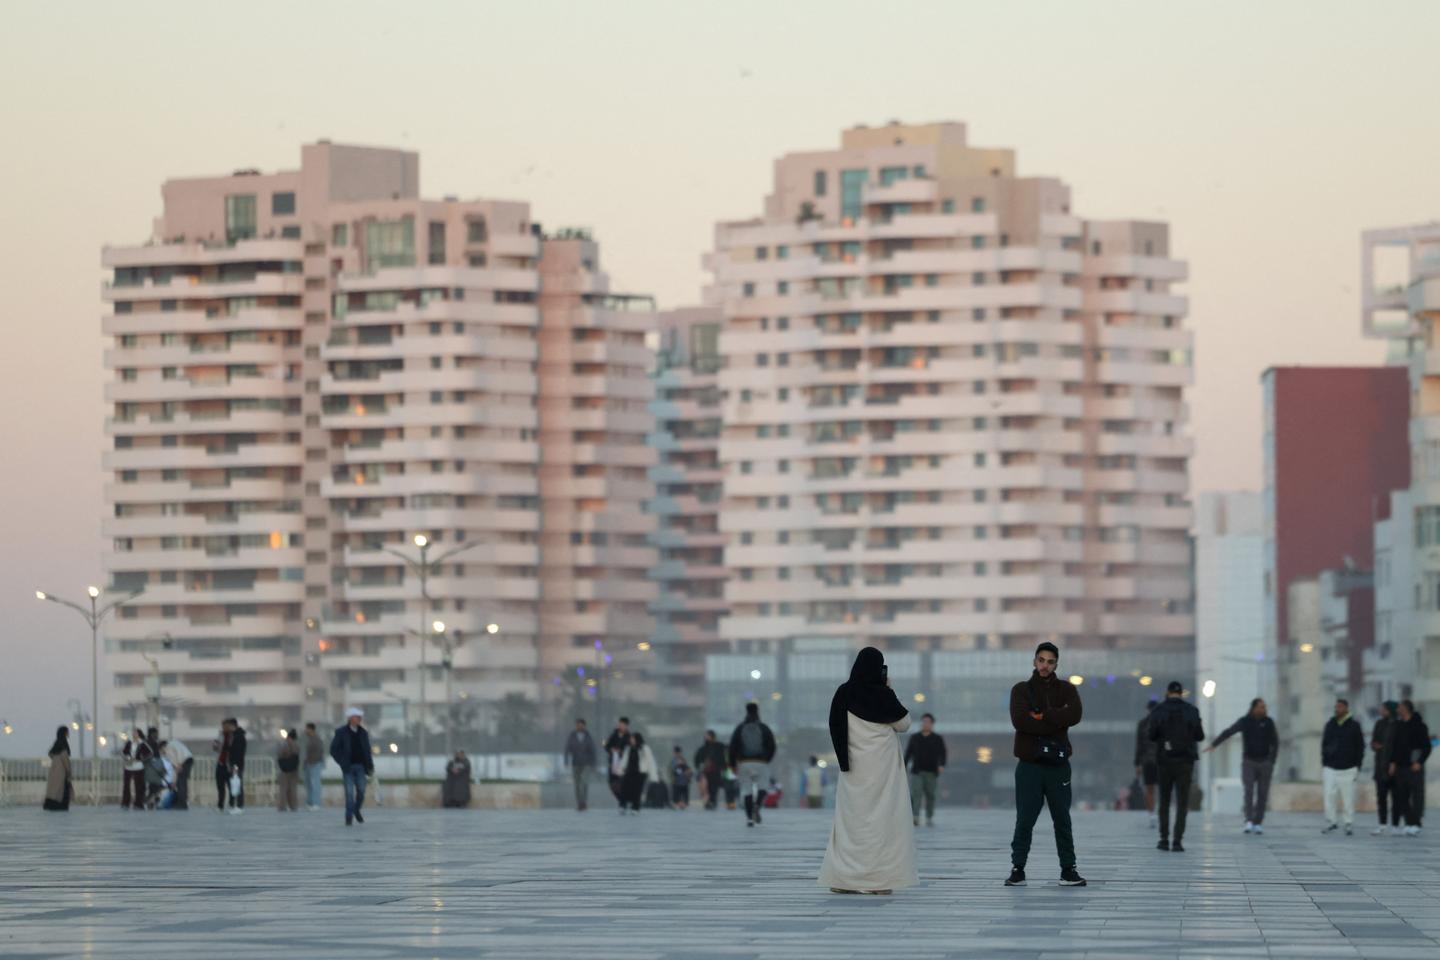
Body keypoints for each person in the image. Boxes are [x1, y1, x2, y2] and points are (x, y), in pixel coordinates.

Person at [818, 646, 917, 895]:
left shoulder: (844, 693)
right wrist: (890, 690)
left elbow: (834, 726)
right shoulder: (883, 694)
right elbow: (904, 724)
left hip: (854, 770)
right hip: (883, 772)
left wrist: (843, 761)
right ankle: (879, 882)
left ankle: (844, 879)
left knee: (851, 823)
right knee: (882, 823)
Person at [1006, 642, 1086, 888]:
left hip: (1058, 765)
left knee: (1062, 818)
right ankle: (1018, 868)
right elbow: (1020, 721)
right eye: (1041, 660)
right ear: (1034, 661)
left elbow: (1075, 715)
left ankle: (1068, 869)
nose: (1045, 665)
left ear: (1056, 665)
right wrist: (1057, 718)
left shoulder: (1067, 689)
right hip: (1029, 765)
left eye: (1050, 662)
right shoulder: (1020, 690)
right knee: (1025, 819)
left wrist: (1043, 715)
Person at [1205, 697, 1278, 834]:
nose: (1264, 709)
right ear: (1254, 708)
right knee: (1249, 791)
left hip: (1265, 763)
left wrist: (1271, 761)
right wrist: (1214, 744)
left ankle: (1258, 822)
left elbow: (1275, 742)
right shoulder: (1245, 721)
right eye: (1261, 707)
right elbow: (1229, 731)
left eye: (1265, 707)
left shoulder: (1268, 722)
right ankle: (1249, 820)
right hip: (1249, 762)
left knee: (1262, 794)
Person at [1148, 681, 1204, 852]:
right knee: (1182, 802)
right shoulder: (1192, 711)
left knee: (1164, 801)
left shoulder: (1158, 710)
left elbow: (1151, 735)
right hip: (1185, 762)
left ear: (1168, 692)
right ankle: (1178, 841)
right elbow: (1200, 736)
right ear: (1181, 693)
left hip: (1164, 761)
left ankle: (1164, 839)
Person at [1320, 698, 1365, 836]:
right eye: (1336, 707)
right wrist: (1325, 761)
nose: (1337, 709)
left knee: (1348, 797)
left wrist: (1357, 765)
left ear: (1346, 708)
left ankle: (1348, 823)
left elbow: (1360, 746)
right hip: (1331, 768)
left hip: (1349, 768)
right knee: (1329, 796)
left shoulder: (1354, 726)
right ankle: (1331, 822)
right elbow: (1324, 744)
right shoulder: (1330, 724)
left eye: (1339, 707)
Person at [729, 702, 778, 827]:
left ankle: (749, 818)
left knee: (746, 790)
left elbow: (732, 747)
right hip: (761, 762)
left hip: (744, 763)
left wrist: (733, 764)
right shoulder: (763, 728)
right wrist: (767, 759)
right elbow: (772, 745)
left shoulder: (740, 728)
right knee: (763, 788)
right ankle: (757, 805)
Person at [1390, 699, 1431, 836]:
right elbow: (1395, 747)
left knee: (1417, 796)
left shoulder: (1420, 726)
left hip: (1415, 767)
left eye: (1400, 707)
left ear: (1406, 709)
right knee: (1402, 796)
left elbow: (1427, 747)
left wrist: (1419, 762)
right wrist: (1393, 763)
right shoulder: (1399, 726)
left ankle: (1416, 823)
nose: (1398, 710)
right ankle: (1409, 822)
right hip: (1401, 767)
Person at [330, 707, 373, 826]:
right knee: (349, 794)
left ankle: (356, 809)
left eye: (360, 717)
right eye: (356, 717)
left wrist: (370, 766)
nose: (359, 719)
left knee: (361, 791)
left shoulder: (363, 732)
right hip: (348, 767)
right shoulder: (341, 732)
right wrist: (342, 762)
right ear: (350, 718)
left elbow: (367, 750)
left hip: (361, 767)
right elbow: (334, 750)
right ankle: (348, 817)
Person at [905, 712, 947, 827]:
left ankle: (929, 816)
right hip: (917, 771)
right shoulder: (915, 738)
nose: (925, 724)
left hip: (932, 772)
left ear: (932, 724)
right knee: (916, 793)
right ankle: (915, 816)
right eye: (924, 722)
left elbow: (942, 754)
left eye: (928, 722)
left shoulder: (937, 739)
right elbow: (908, 753)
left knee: (930, 795)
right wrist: (904, 766)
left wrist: (941, 765)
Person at [1370, 701, 1400, 835]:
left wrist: (1394, 761)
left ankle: (1395, 825)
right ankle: (1382, 824)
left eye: (1384, 709)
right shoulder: (1379, 724)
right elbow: (1374, 742)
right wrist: (1375, 745)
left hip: (1395, 768)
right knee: (1381, 797)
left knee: (1396, 797)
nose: (1381, 710)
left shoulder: (1399, 725)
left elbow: (1400, 746)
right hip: (1380, 767)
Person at [1134, 699, 1160, 827]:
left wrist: (1137, 764)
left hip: (1147, 761)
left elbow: (1139, 745)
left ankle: (1152, 814)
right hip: (1161, 761)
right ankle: (1160, 811)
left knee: (1149, 788)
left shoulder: (1143, 724)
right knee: (1163, 788)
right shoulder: (1163, 723)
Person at [212, 718, 247, 814]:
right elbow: (222, 748)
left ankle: (238, 806)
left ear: (231, 725)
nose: (224, 728)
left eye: (225, 726)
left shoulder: (238, 736)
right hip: (226, 763)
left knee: (236, 785)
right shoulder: (225, 735)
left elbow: (238, 753)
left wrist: (235, 766)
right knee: (226, 785)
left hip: (235, 764)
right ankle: (224, 806)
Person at [617, 731, 655, 814]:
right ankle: (622, 806)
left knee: (637, 791)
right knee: (624, 789)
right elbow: (624, 760)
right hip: (629, 772)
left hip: (641, 773)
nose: (631, 740)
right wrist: (620, 769)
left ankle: (635, 808)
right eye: (631, 738)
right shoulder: (628, 748)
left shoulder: (645, 748)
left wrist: (653, 776)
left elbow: (651, 761)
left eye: (632, 738)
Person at [563, 718, 597, 811]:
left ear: (584, 726)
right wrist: (566, 761)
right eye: (578, 725)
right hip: (575, 763)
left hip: (586, 764)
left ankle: (584, 802)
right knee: (577, 785)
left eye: (581, 725)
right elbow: (567, 748)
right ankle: (579, 803)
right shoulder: (572, 735)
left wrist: (593, 764)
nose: (579, 726)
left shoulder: (588, 736)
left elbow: (593, 750)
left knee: (584, 783)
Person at [693, 731, 727, 810]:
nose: (706, 737)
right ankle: (708, 802)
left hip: (716, 770)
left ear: (712, 737)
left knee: (714, 788)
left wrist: (724, 766)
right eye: (706, 736)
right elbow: (697, 759)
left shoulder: (719, 746)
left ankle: (712, 802)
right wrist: (698, 766)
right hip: (705, 771)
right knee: (706, 788)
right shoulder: (702, 748)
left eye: (707, 736)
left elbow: (725, 756)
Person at [604, 717, 631, 810]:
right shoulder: (613, 735)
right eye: (620, 724)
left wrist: (621, 752)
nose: (621, 726)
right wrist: (611, 749)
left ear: (627, 726)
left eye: (623, 725)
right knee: (612, 785)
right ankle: (622, 800)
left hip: (623, 764)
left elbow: (630, 750)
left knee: (622, 784)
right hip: (613, 763)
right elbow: (606, 746)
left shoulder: (629, 737)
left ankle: (623, 802)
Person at [43, 726, 72, 812]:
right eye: (67, 732)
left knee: (53, 791)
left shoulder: (56, 745)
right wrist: (69, 773)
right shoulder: (64, 746)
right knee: (61, 792)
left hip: (54, 772)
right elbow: (66, 762)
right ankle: (60, 806)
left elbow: (51, 754)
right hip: (61, 773)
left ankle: (50, 805)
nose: (68, 734)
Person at [121, 728, 148, 810]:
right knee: (126, 785)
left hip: (138, 767)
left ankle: (138, 803)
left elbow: (149, 753)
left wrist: (141, 759)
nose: (134, 734)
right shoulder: (129, 743)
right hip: (129, 766)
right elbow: (123, 752)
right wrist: (127, 758)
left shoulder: (142, 743)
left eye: (135, 733)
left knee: (139, 786)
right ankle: (126, 802)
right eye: (133, 733)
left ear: (139, 734)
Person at [164, 737, 194, 810]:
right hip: (189, 759)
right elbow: (176, 765)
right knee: (182, 782)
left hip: (183, 761)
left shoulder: (168, 747)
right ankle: (183, 802)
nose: (163, 753)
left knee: (181, 783)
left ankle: (182, 804)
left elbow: (175, 761)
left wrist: (179, 764)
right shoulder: (174, 742)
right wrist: (174, 781)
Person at [302, 722, 326, 811]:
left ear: (311, 729)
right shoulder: (310, 739)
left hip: (315, 763)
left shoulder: (317, 739)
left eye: (307, 729)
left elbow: (320, 751)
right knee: (308, 784)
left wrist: (313, 761)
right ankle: (310, 802)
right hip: (309, 763)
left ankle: (316, 803)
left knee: (315, 784)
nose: (305, 731)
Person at [276, 729, 300, 812]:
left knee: (283, 789)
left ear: (289, 737)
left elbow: (280, 755)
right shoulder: (297, 745)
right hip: (293, 770)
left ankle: (282, 806)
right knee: (293, 789)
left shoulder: (285, 745)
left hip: (285, 770)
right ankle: (293, 806)